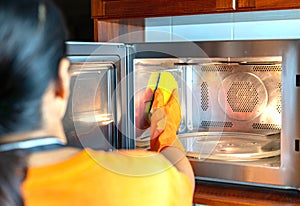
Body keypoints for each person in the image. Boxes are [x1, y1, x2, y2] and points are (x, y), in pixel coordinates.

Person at [0, 0, 195, 205]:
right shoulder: (141, 182)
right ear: (62, 82)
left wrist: (121, 127)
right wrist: (164, 129)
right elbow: (182, 180)